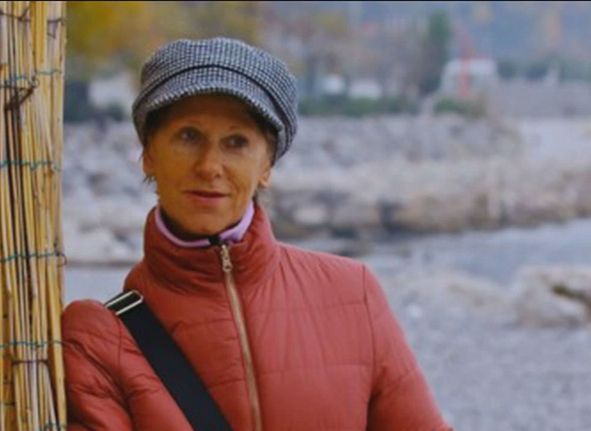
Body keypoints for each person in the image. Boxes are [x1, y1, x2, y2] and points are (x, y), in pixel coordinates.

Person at [62, 37, 452, 431]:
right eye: (188, 136)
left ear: (266, 165)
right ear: (148, 153)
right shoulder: (101, 341)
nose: (209, 166)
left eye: (236, 143)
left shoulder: (354, 294)